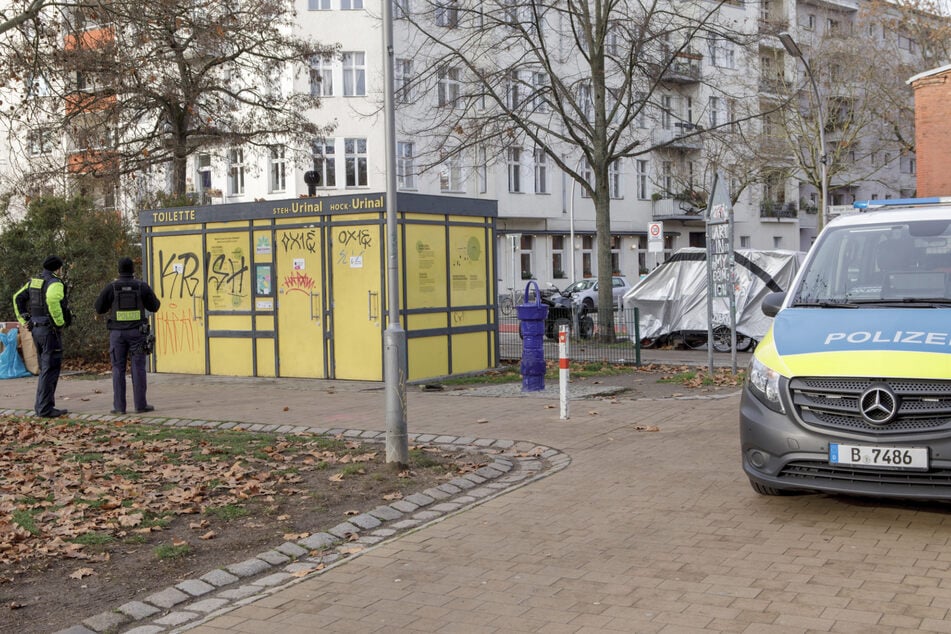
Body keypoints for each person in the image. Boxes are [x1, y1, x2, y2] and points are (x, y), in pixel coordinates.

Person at [94, 257, 161, 415]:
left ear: (118, 270)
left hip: (117, 335)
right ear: (133, 270)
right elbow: (155, 306)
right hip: (137, 333)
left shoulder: (112, 287)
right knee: (138, 368)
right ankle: (140, 405)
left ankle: (119, 407)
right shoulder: (141, 286)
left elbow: (99, 308)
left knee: (118, 369)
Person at [12, 255, 73, 418]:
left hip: (36, 330)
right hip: (50, 331)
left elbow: (17, 298)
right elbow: (52, 299)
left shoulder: (35, 281)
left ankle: (41, 406)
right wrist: (59, 322)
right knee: (50, 369)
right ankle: (45, 409)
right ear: (58, 268)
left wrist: (24, 320)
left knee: (45, 369)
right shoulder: (55, 282)